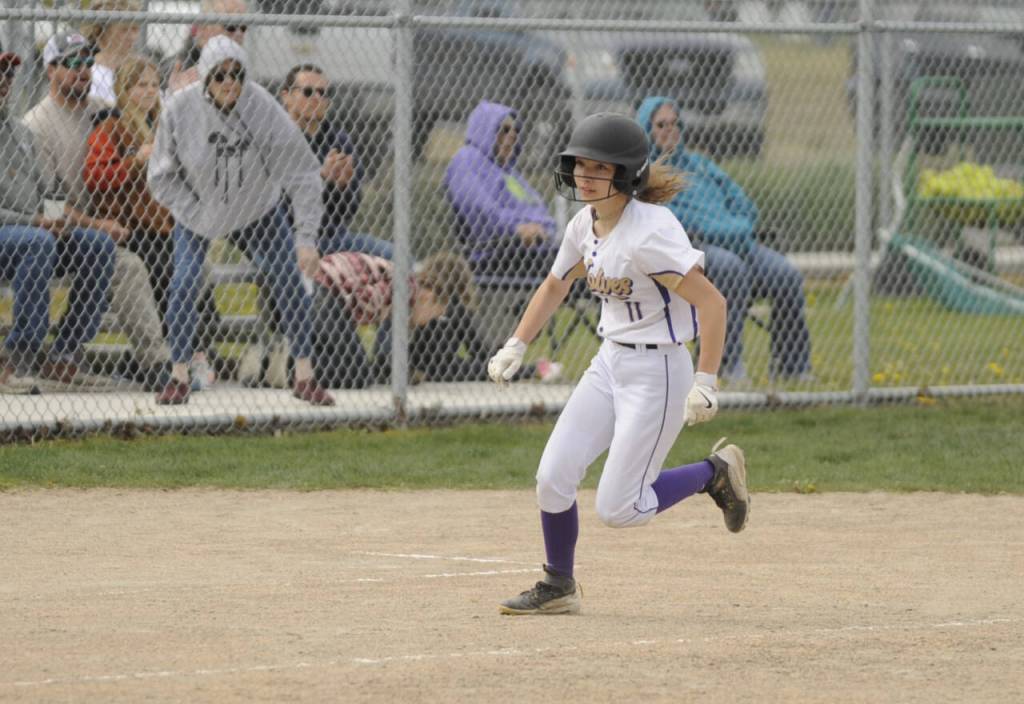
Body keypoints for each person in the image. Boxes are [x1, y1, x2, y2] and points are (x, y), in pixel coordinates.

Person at [486, 113, 750, 616]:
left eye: (597, 167)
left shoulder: (650, 232)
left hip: (659, 374)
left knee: (620, 508)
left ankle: (713, 473)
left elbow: (713, 304)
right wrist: (516, 343)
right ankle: (558, 584)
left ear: (625, 175)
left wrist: (707, 379)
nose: (583, 175)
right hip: (609, 363)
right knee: (552, 477)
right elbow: (555, 284)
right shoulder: (584, 223)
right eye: (578, 164)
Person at [148, 35, 333, 406]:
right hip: (199, 211)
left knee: (290, 280)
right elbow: (159, 176)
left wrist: (306, 238)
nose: (230, 83)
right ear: (205, 79)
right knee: (184, 282)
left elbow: (303, 173)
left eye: (237, 74)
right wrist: (194, 208)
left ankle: (304, 374)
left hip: (257, 208)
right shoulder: (180, 110)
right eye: (220, 76)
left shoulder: (262, 106)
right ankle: (179, 375)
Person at [24, 31, 171, 389]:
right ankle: (157, 367)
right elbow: (49, 204)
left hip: (117, 225)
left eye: (88, 63)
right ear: (50, 70)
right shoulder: (36, 125)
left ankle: (178, 356)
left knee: (180, 254)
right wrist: (96, 223)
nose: (83, 71)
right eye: (72, 63)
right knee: (128, 267)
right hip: (57, 234)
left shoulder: (102, 111)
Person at [637, 96, 813, 384]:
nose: (670, 129)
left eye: (674, 123)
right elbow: (675, 223)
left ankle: (792, 366)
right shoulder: (649, 176)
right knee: (732, 270)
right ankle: (727, 365)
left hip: (740, 242)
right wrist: (731, 229)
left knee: (786, 275)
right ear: (647, 129)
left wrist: (733, 227)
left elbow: (744, 205)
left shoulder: (701, 165)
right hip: (696, 249)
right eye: (661, 125)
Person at [84, 56, 222, 389]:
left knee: (194, 269)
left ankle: (175, 356)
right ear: (123, 90)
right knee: (167, 269)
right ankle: (183, 357)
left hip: (162, 228)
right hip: (128, 229)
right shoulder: (111, 127)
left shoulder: (163, 123)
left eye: (151, 85)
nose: (147, 92)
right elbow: (94, 174)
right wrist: (135, 161)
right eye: (138, 85)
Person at [0, 42, 116, 389]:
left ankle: (64, 354)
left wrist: (55, 219)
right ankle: (20, 359)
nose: (4, 80)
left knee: (98, 246)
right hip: (16, 233)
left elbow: (48, 189)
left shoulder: (20, 131)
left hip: (32, 233)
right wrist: (37, 223)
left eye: (8, 74)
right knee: (38, 243)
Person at [444, 101, 560, 348]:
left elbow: (543, 215)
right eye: (504, 129)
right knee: (578, 264)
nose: (512, 135)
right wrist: (518, 228)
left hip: (530, 249)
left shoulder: (509, 172)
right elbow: (480, 209)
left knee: (582, 260)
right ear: (486, 129)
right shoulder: (467, 160)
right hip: (494, 249)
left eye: (516, 130)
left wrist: (539, 229)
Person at [279, 63, 392, 259]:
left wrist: (339, 187)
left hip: (333, 237)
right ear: (286, 96)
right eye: (308, 91)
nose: (317, 98)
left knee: (399, 258)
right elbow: (279, 210)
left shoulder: (338, 140)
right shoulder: (276, 139)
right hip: (287, 240)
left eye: (323, 92)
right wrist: (321, 179)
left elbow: (349, 209)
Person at [165, 0, 249, 95]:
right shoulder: (177, 69)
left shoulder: (241, 67)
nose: (239, 34)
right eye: (230, 26)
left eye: (243, 27)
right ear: (203, 27)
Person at [81, 0, 142, 107]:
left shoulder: (142, 68)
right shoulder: (88, 72)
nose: (132, 37)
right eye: (124, 30)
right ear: (101, 31)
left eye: (135, 29)